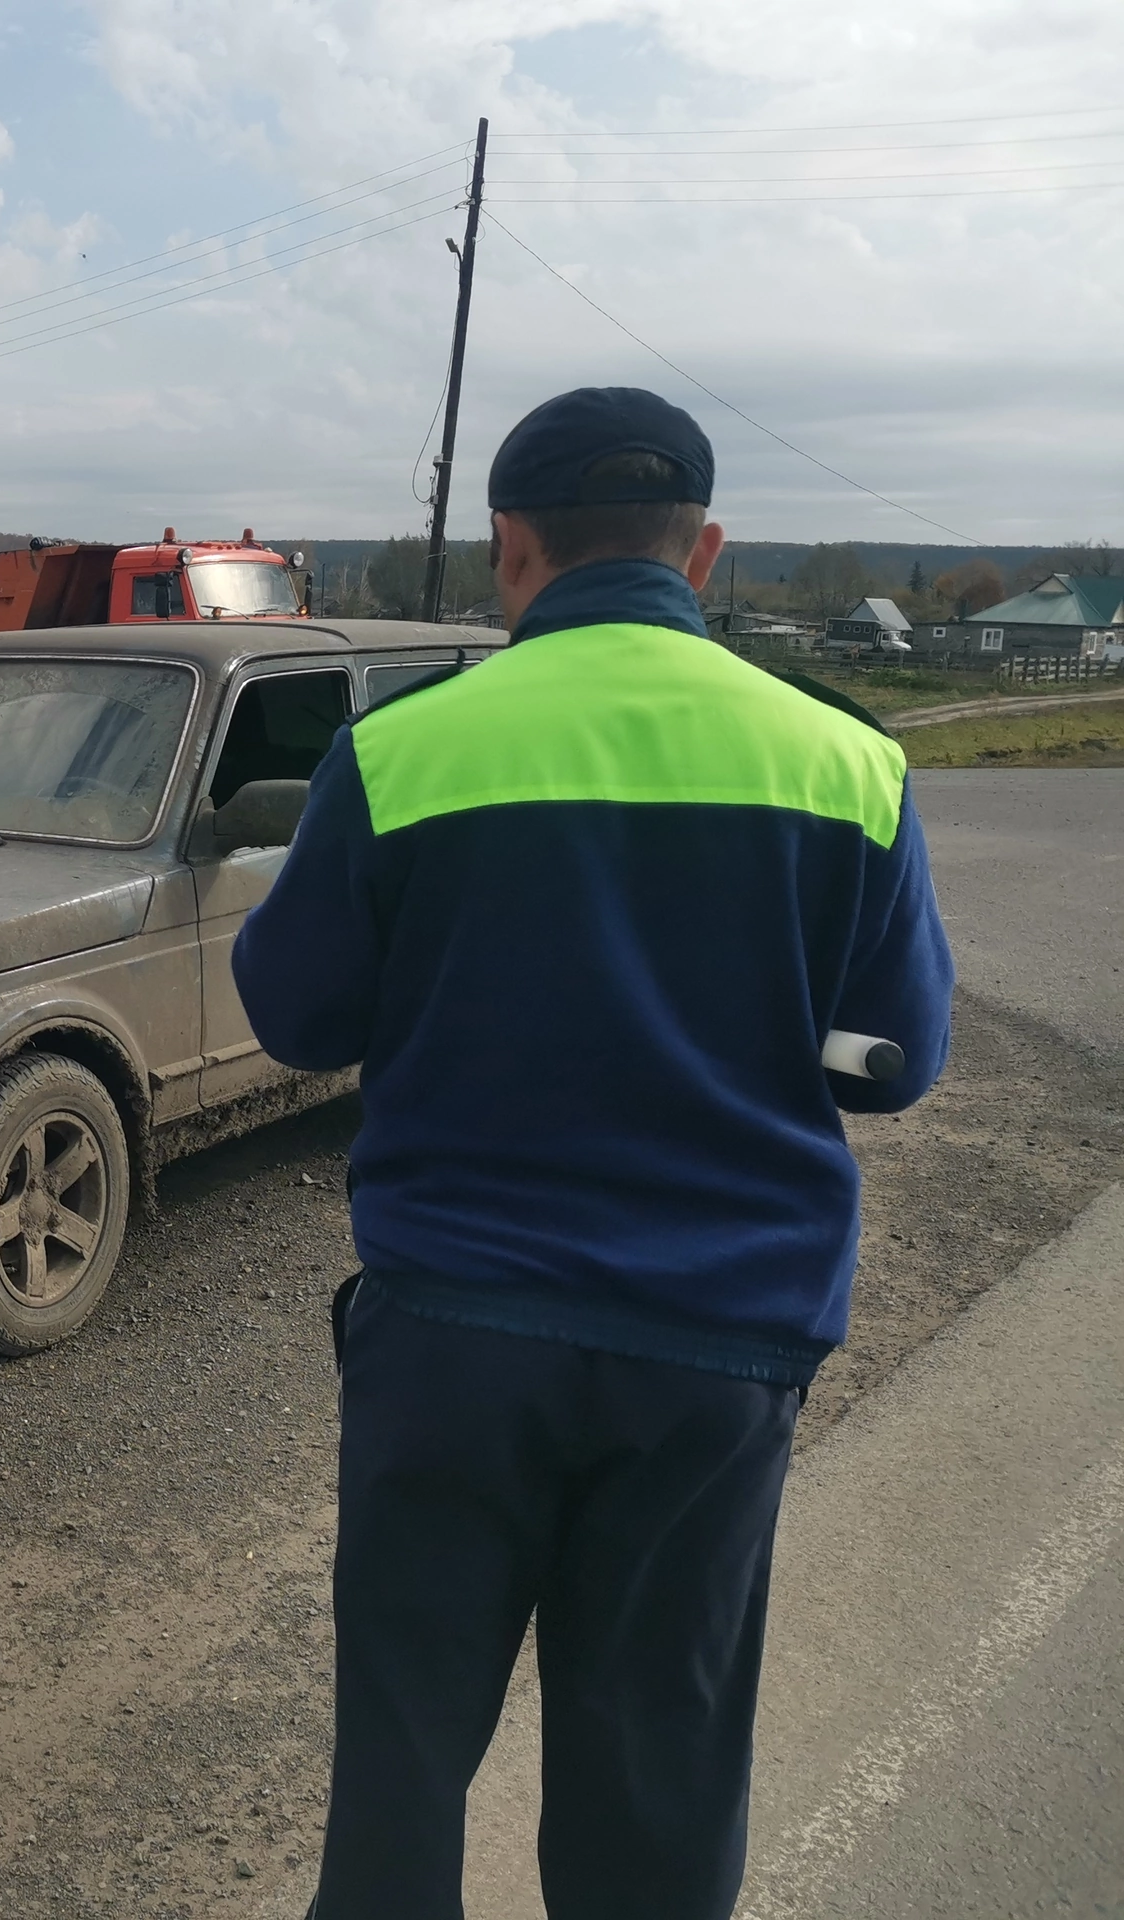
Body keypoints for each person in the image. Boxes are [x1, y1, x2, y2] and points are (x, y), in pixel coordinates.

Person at [232, 387, 953, 1918]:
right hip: (715, 1349)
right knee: (657, 1783)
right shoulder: (845, 762)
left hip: (454, 1342)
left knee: (403, 1765)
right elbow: (903, 1058)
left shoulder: (405, 752)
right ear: (704, 551)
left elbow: (292, 1016)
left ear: (510, 546)